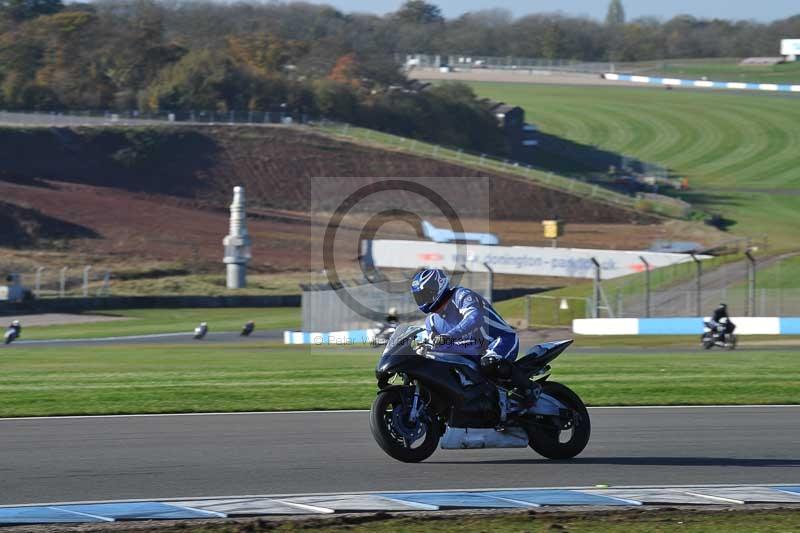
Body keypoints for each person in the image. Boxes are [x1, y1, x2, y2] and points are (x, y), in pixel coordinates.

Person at [411, 268, 537, 409]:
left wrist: (448, 336)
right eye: (420, 296)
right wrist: (419, 346)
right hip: (472, 353)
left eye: (426, 293)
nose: (424, 299)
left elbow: (474, 318)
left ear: (438, 286)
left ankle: (529, 389)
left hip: (500, 340)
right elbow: (433, 344)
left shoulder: (461, 295)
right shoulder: (432, 321)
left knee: (489, 362)